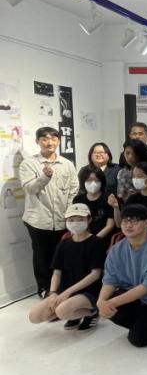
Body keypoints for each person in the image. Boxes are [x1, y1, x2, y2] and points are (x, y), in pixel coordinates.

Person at [97, 204, 147, 347]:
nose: (128, 225)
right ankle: (142, 324)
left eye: (134, 221)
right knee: (110, 307)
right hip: (133, 297)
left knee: (138, 340)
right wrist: (101, 301)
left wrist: (111, 303)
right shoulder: (117, 249)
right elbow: (110, 280)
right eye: (125, 221)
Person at [28, 203, 106, 332]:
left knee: (61, 311)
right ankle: (73, 312)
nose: (75, 223)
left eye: (80, 219)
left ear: (89, 219)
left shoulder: (97, 242)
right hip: (65, 289)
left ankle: (92, 313)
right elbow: (56, 272)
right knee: (35, 316)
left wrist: (67, 293)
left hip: (90, 290)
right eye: (71, 220)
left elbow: (95, 274)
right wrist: (53, 293)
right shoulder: (64, 243)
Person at [20, 127, 79, 297]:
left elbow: (73, 190)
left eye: (53, 138)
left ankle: (60, 287)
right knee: (41, 256)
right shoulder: (29, 164)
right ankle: (44, 288)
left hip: (62, 219)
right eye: (44, 139)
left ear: (59, 141)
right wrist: (45, 177)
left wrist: (69, 213)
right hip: (38, 220)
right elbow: (30, 189)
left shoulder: (67, 164)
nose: (49, 142)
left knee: (61, 255)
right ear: (37, 141)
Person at [72, 166, 115, 245]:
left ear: (102, 182)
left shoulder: (109, 199)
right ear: (83, 181)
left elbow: (110, 225)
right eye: (89, 180)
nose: (93, 183)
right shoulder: (78, 199)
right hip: (82, 238)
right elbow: (75, 222)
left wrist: (93, 240)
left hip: (102, 240)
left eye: (97, 180)